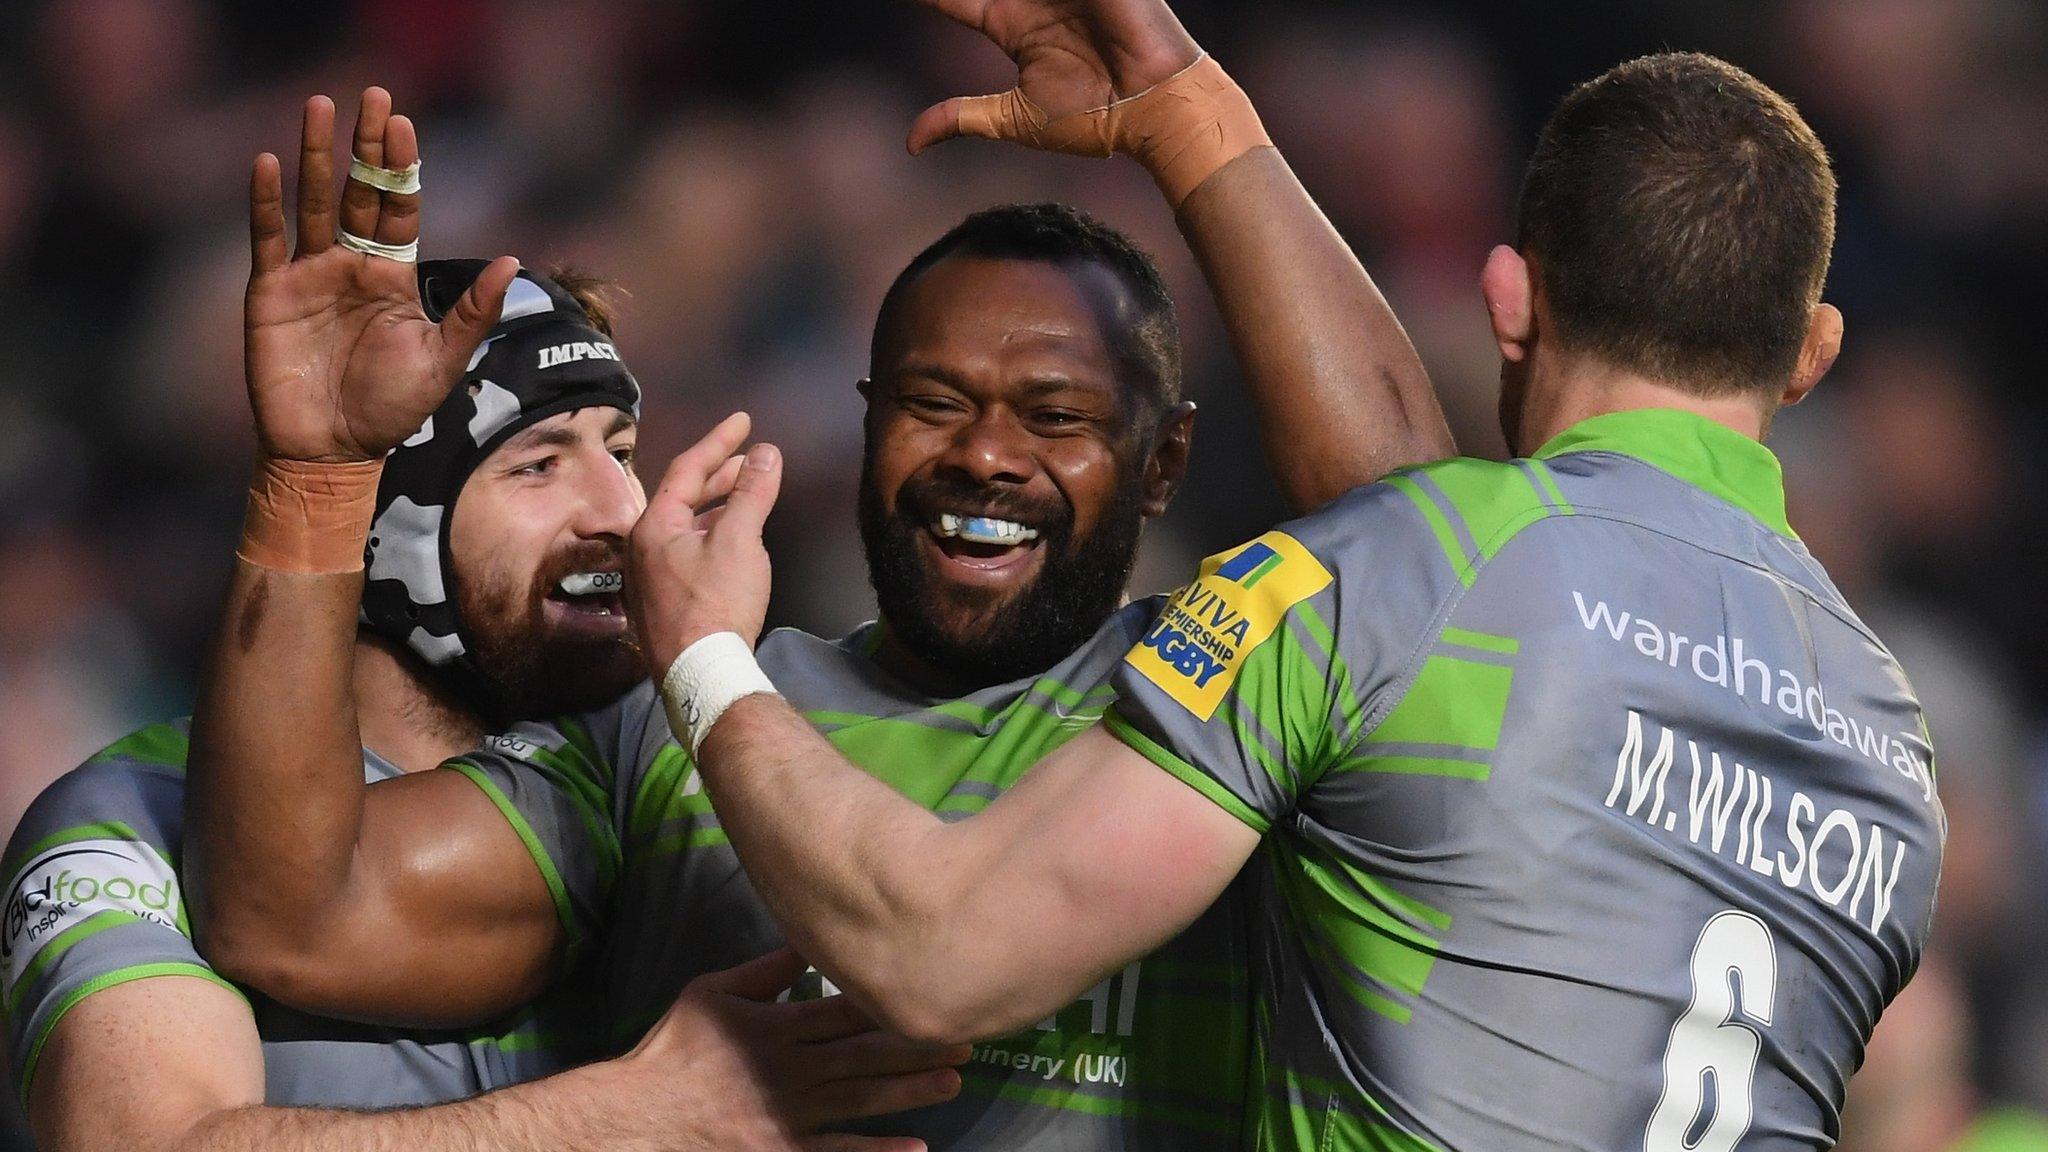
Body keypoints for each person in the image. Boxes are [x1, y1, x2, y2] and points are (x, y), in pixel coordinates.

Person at [632, 30, 1949, 1152]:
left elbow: (942, 956)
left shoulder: (1397, 575)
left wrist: (702, 656)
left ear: (1510, 299)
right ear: (1810, 354)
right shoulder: (1898, 753)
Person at [178, 4, 1456, 1148]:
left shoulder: (1232, 695)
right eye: (931, 402)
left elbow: (1417, 545)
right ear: (862, 419)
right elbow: (290, 916)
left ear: (1163, 461)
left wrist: (1191, 121)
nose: (986, 458)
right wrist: (318, 479)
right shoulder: (660, 722)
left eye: (1055, 417)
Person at [0, 88, 960, 1152]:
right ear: (382, 531)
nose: (619, 514)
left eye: (622, 453)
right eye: (539, 466)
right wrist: (630, 1118)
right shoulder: (126, 822)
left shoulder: (647, 772)